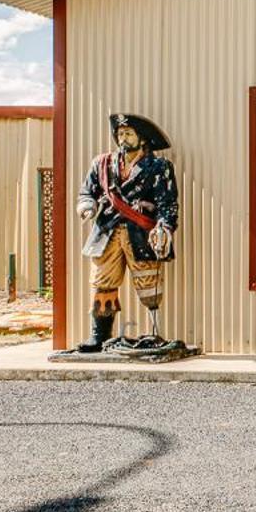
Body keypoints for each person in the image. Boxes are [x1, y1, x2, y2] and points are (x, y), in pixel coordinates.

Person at [73, 113, 180, 352]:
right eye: (120, 134)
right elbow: (86, 192)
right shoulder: (101, 164)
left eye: (128, 133)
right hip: (106, 232)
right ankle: (99, 335)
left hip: (141, 233)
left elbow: (168, 203)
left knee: (148, 284)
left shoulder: (159, 167)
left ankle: (154, 334)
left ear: (142, 139)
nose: (123, 138)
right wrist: (87, 206)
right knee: (103, 283)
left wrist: (164, 227)